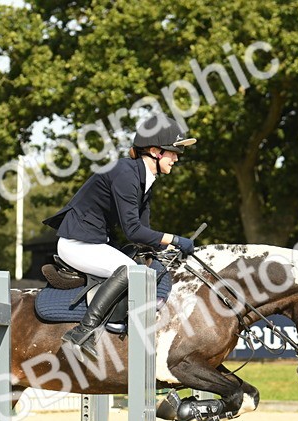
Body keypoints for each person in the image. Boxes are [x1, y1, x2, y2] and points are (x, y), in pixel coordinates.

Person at [43, 113, 197, 360]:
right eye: (173, 152)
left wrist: (166, 249)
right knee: (131, 271)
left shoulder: (145, 179)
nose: (177, 158)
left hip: (94, 243)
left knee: (143, 265)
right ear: (156, 151)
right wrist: (176, 239)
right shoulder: (126, 174)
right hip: (76, 244)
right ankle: (83, 332)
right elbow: (133, 231)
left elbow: (143, 234)